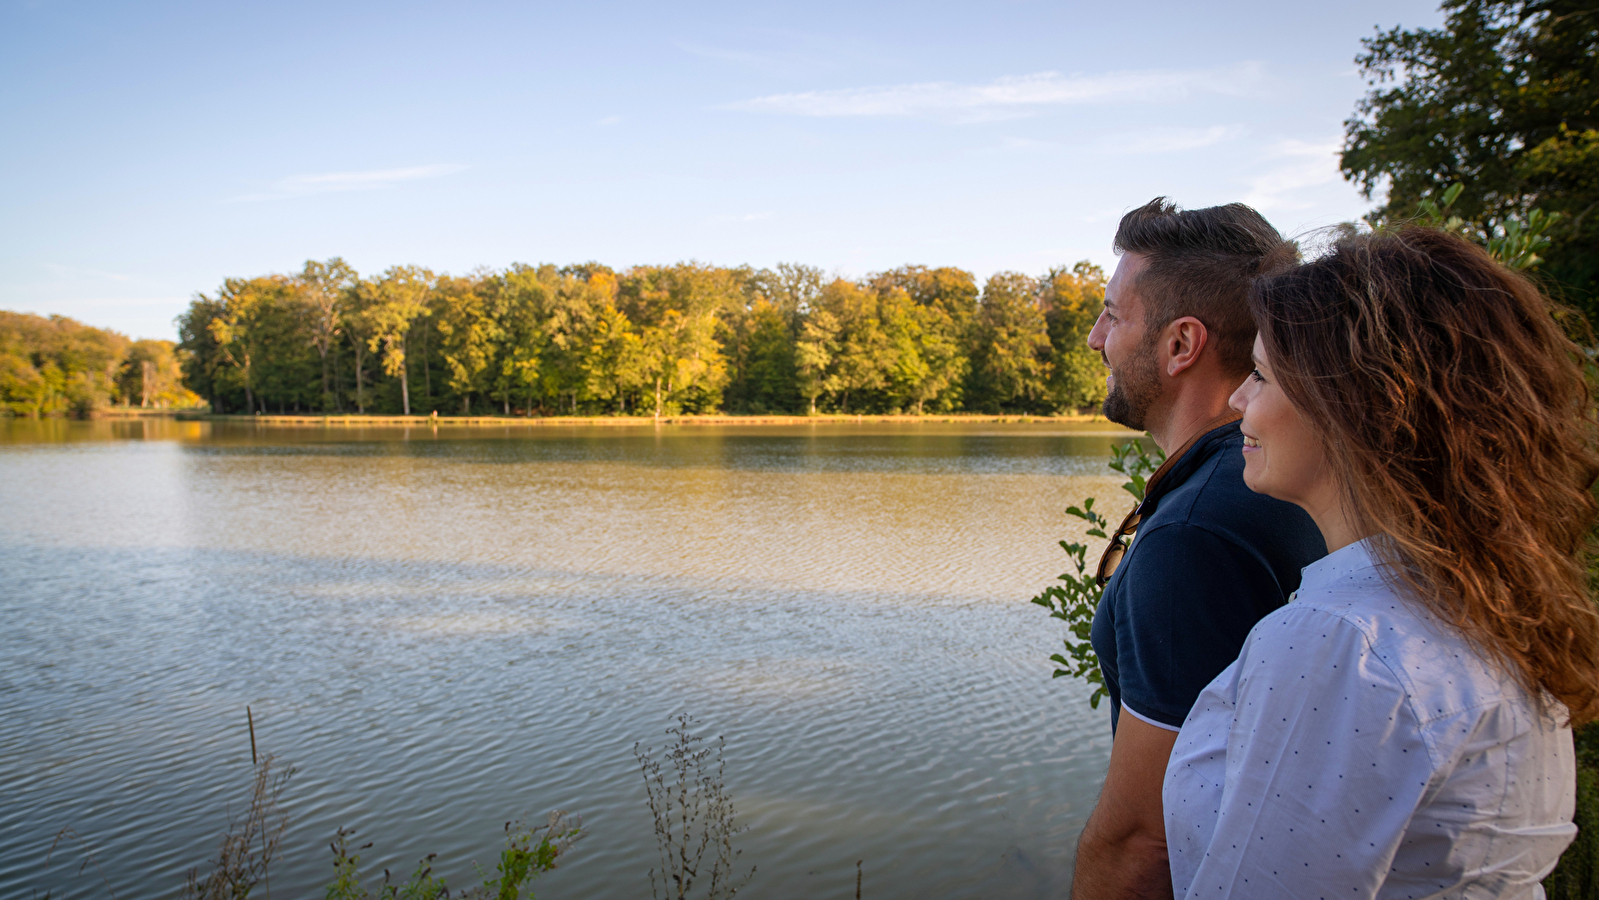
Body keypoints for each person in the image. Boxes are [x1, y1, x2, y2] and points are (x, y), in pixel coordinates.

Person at [1165, 227, 1599, 898]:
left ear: (1352, 405)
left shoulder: (1345, 642)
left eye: (1259, 374)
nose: (1235, 401)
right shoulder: (1484, 598)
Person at [1072, 199, 1325, 898]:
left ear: (1180, 344)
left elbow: (1142, 841)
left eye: (1112, 315)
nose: (1096, 338)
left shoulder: (1195, 536)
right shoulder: (1275, 484)